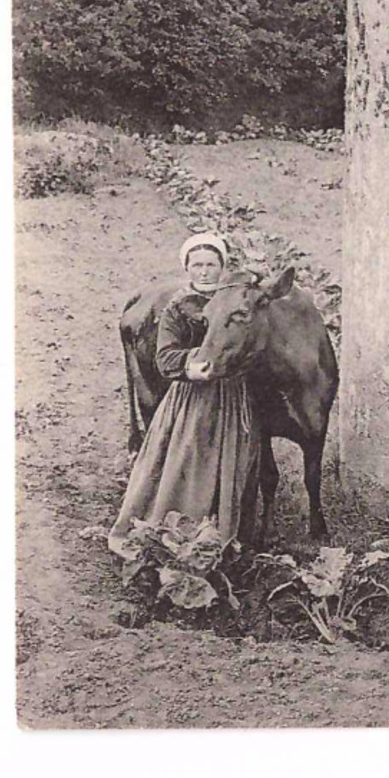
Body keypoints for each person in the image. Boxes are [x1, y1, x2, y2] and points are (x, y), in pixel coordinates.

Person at [109, 232, 262, 556]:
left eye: (210, 265)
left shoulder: (234, 302)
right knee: (186, 458)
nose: (204, 272)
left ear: (221, 268)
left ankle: (228, 534)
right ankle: (178, 529)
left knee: (232, 460)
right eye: (197, 265)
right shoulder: (178, 308)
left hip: (230, 397)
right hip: (191, 400)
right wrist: (191, 365)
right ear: (187, 268)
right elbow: (165, 357)